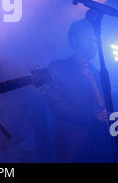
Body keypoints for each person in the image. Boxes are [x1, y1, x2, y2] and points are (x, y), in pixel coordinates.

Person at [46, 18, 114, 162]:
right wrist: (90, 113)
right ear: (75, 40)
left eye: (95, 40)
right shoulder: (58, 67)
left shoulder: (99, 73)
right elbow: (57, 105)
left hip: (101, 147)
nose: (94, 45)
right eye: (89, 39)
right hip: (74, 148)